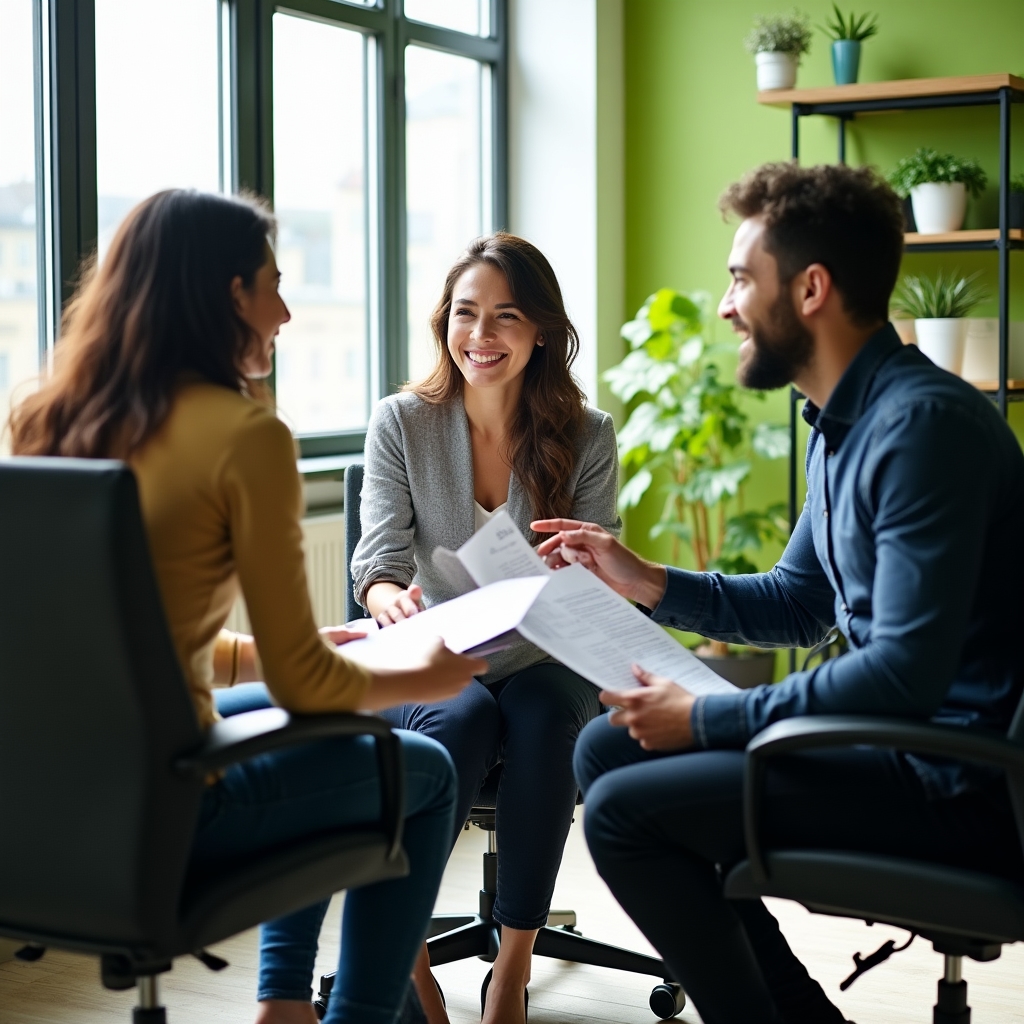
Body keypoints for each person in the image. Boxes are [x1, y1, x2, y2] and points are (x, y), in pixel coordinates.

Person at [532, 162, 1024, 1024]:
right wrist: (648, 579)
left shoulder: (921, 431)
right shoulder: (844, 425)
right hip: (891, 750)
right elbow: (800, 601)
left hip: (953, 786)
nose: (726, 307)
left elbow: (903, 675)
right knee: (606, 752)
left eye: (739, 279)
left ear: (810, 289)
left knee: (620, 815)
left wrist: (705, 717)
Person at [8, 189, 488, 1024]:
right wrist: (425, 671)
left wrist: (281, 655)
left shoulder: (47, 421)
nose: (288, 311)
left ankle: (283, 1004)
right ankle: (356, 1015)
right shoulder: (245, 436)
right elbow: (311, 688)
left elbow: (145, 635)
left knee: (317, 713)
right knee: (426, 769)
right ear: (232, 293)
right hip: (176, 804)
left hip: (45, 804)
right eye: (273, 282)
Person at [349, 232, 620, 1024]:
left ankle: (512, 965)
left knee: (539, 721)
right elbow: (378, 557)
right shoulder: (402, 421)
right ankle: (408, 954)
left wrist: (574, 578)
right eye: (466, 314)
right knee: (461, 719)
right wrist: (389, 596)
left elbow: (592, 565)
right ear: (445, 323)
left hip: (545, 649)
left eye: (506, 317)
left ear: (541, 331)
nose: (482, 335)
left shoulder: (587, 433)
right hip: (437, 648)